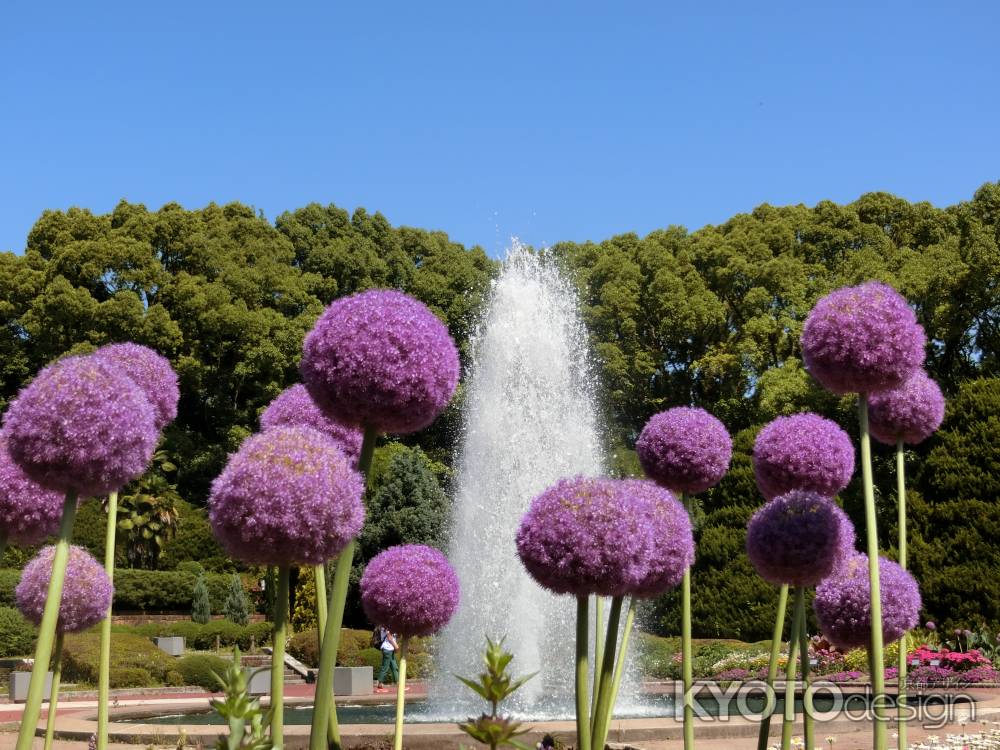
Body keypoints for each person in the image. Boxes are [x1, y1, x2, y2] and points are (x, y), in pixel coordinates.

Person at [374, 625, 399, 692]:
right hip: (387, 649)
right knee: (385, 667)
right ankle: (380, 684)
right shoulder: (386, 624)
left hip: (390, 649)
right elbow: (389, 637)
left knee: (394, 667)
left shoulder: (388, 624)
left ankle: (398, 684)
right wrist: (396, 646)